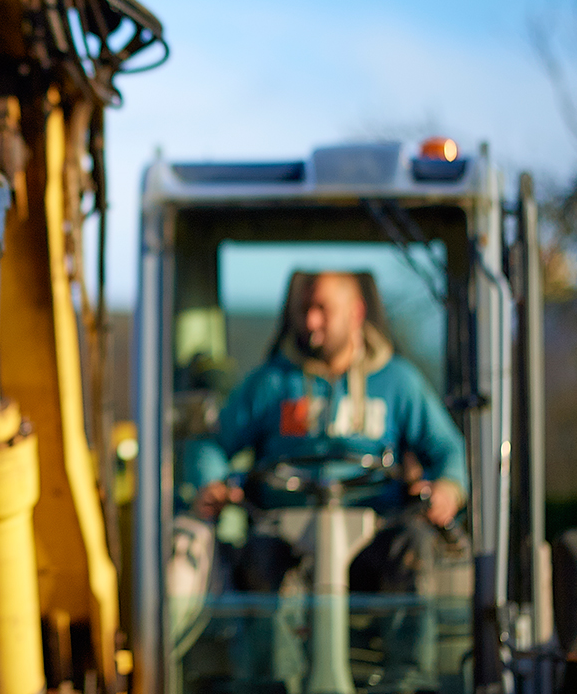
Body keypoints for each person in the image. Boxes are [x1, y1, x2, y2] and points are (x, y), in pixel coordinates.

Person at [184, 271, 467, 694]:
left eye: (322, 311)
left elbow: (449, 450)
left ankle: (408, 683)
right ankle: (274, 683)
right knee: (259, 559)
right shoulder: (271, 383)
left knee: (413, 546)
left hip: (376, 531)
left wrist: (448, 486)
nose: (310, 321)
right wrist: (211, 482)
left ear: (356, 314)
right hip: (286, 531)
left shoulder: (398, 382)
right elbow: (210, 446)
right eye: (303, 311)